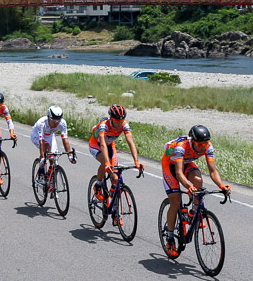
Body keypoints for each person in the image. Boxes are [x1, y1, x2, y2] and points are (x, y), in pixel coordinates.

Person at [161, 125, 231, 255]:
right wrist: (189, 187)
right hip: (170, 166)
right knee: (175, 202)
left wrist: (221, 185)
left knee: (198, 181)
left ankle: (193, 212)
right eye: (199, 144)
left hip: (187, 163)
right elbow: (178, 173)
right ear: (192, 141)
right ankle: (170, 238)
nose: (202, 147)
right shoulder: (181, 147)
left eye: (205, 144)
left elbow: (212, 171)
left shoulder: (208, 146)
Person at [88, 104, 144, 211]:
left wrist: (136, 161)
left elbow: (131, 142)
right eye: (117, 121)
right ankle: (98, 185)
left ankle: (114, 208)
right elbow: (103, 144)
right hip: (96, 145)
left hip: (110, 145)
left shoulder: (124, 124)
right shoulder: (104, 125)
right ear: (111, 119)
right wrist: (107, 163)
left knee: (116, 177)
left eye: (121, 121)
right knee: (106, 164)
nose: (119, 124)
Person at [31, 106, 76, 185]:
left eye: (58, 121)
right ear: (48, 117)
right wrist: (42, 157)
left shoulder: (62, 123)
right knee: (46, 150)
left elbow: (65, 139)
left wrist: (70, 155)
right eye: (53, 121)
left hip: (50, 136)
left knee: (53, 157)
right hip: (37, 136)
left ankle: (51, 180)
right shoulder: (41, 123)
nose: (56, 123)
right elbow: (41, 142)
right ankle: (41, 173)